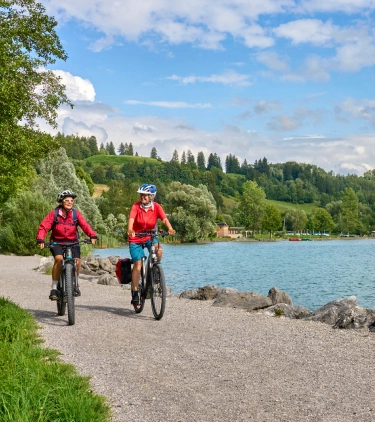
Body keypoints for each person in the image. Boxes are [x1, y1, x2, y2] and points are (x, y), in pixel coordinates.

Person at [36, 190, 97, 300]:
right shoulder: (54, 214)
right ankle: (54, 287)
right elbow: (44, 227)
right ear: (61, 202)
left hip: (73, 242)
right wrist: (40, 239)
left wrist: (92, 235)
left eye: (71, 200)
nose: (70, 202)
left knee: (77, 262)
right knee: (59, 260)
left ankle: (73, 284)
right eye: (67, 200)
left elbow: (85, 225)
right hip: (57, 242)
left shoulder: (75, 214)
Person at [127, 184, 175, 305]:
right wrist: (130, 229)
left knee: (159, 250)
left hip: (150, 236)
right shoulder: (136, 206)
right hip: (136, 238)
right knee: (138, 264)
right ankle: (135, 292)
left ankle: (155, 271)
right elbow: (131, 219)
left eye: (145, 195)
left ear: (152, 196)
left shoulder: (157, 207)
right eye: (141, 194)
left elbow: (164, 219)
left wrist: (169, 228)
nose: (142, 196)